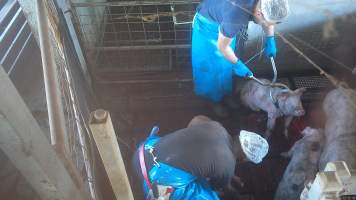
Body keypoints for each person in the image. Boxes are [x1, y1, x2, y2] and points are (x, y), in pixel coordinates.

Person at [132, 115, 269, 199]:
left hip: (142, 153)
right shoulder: (227, 166)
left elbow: (196, 120)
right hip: (151, 180)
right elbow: (217, 187)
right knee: (206, 195)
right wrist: (235, 194)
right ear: (245, 159)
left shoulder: (217, 127)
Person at [191, 0, 290, 117]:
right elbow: (222, 46)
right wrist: (238, 64)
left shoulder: (266, 3)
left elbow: (270, 15)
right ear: (259, 13)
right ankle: (214, 100)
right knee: (210, 70)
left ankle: (225, 95)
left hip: (225, 23)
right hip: (208, 27)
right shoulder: (236, 16)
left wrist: (270, 38)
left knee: (225, 67)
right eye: (266, 23)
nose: (267, 26)